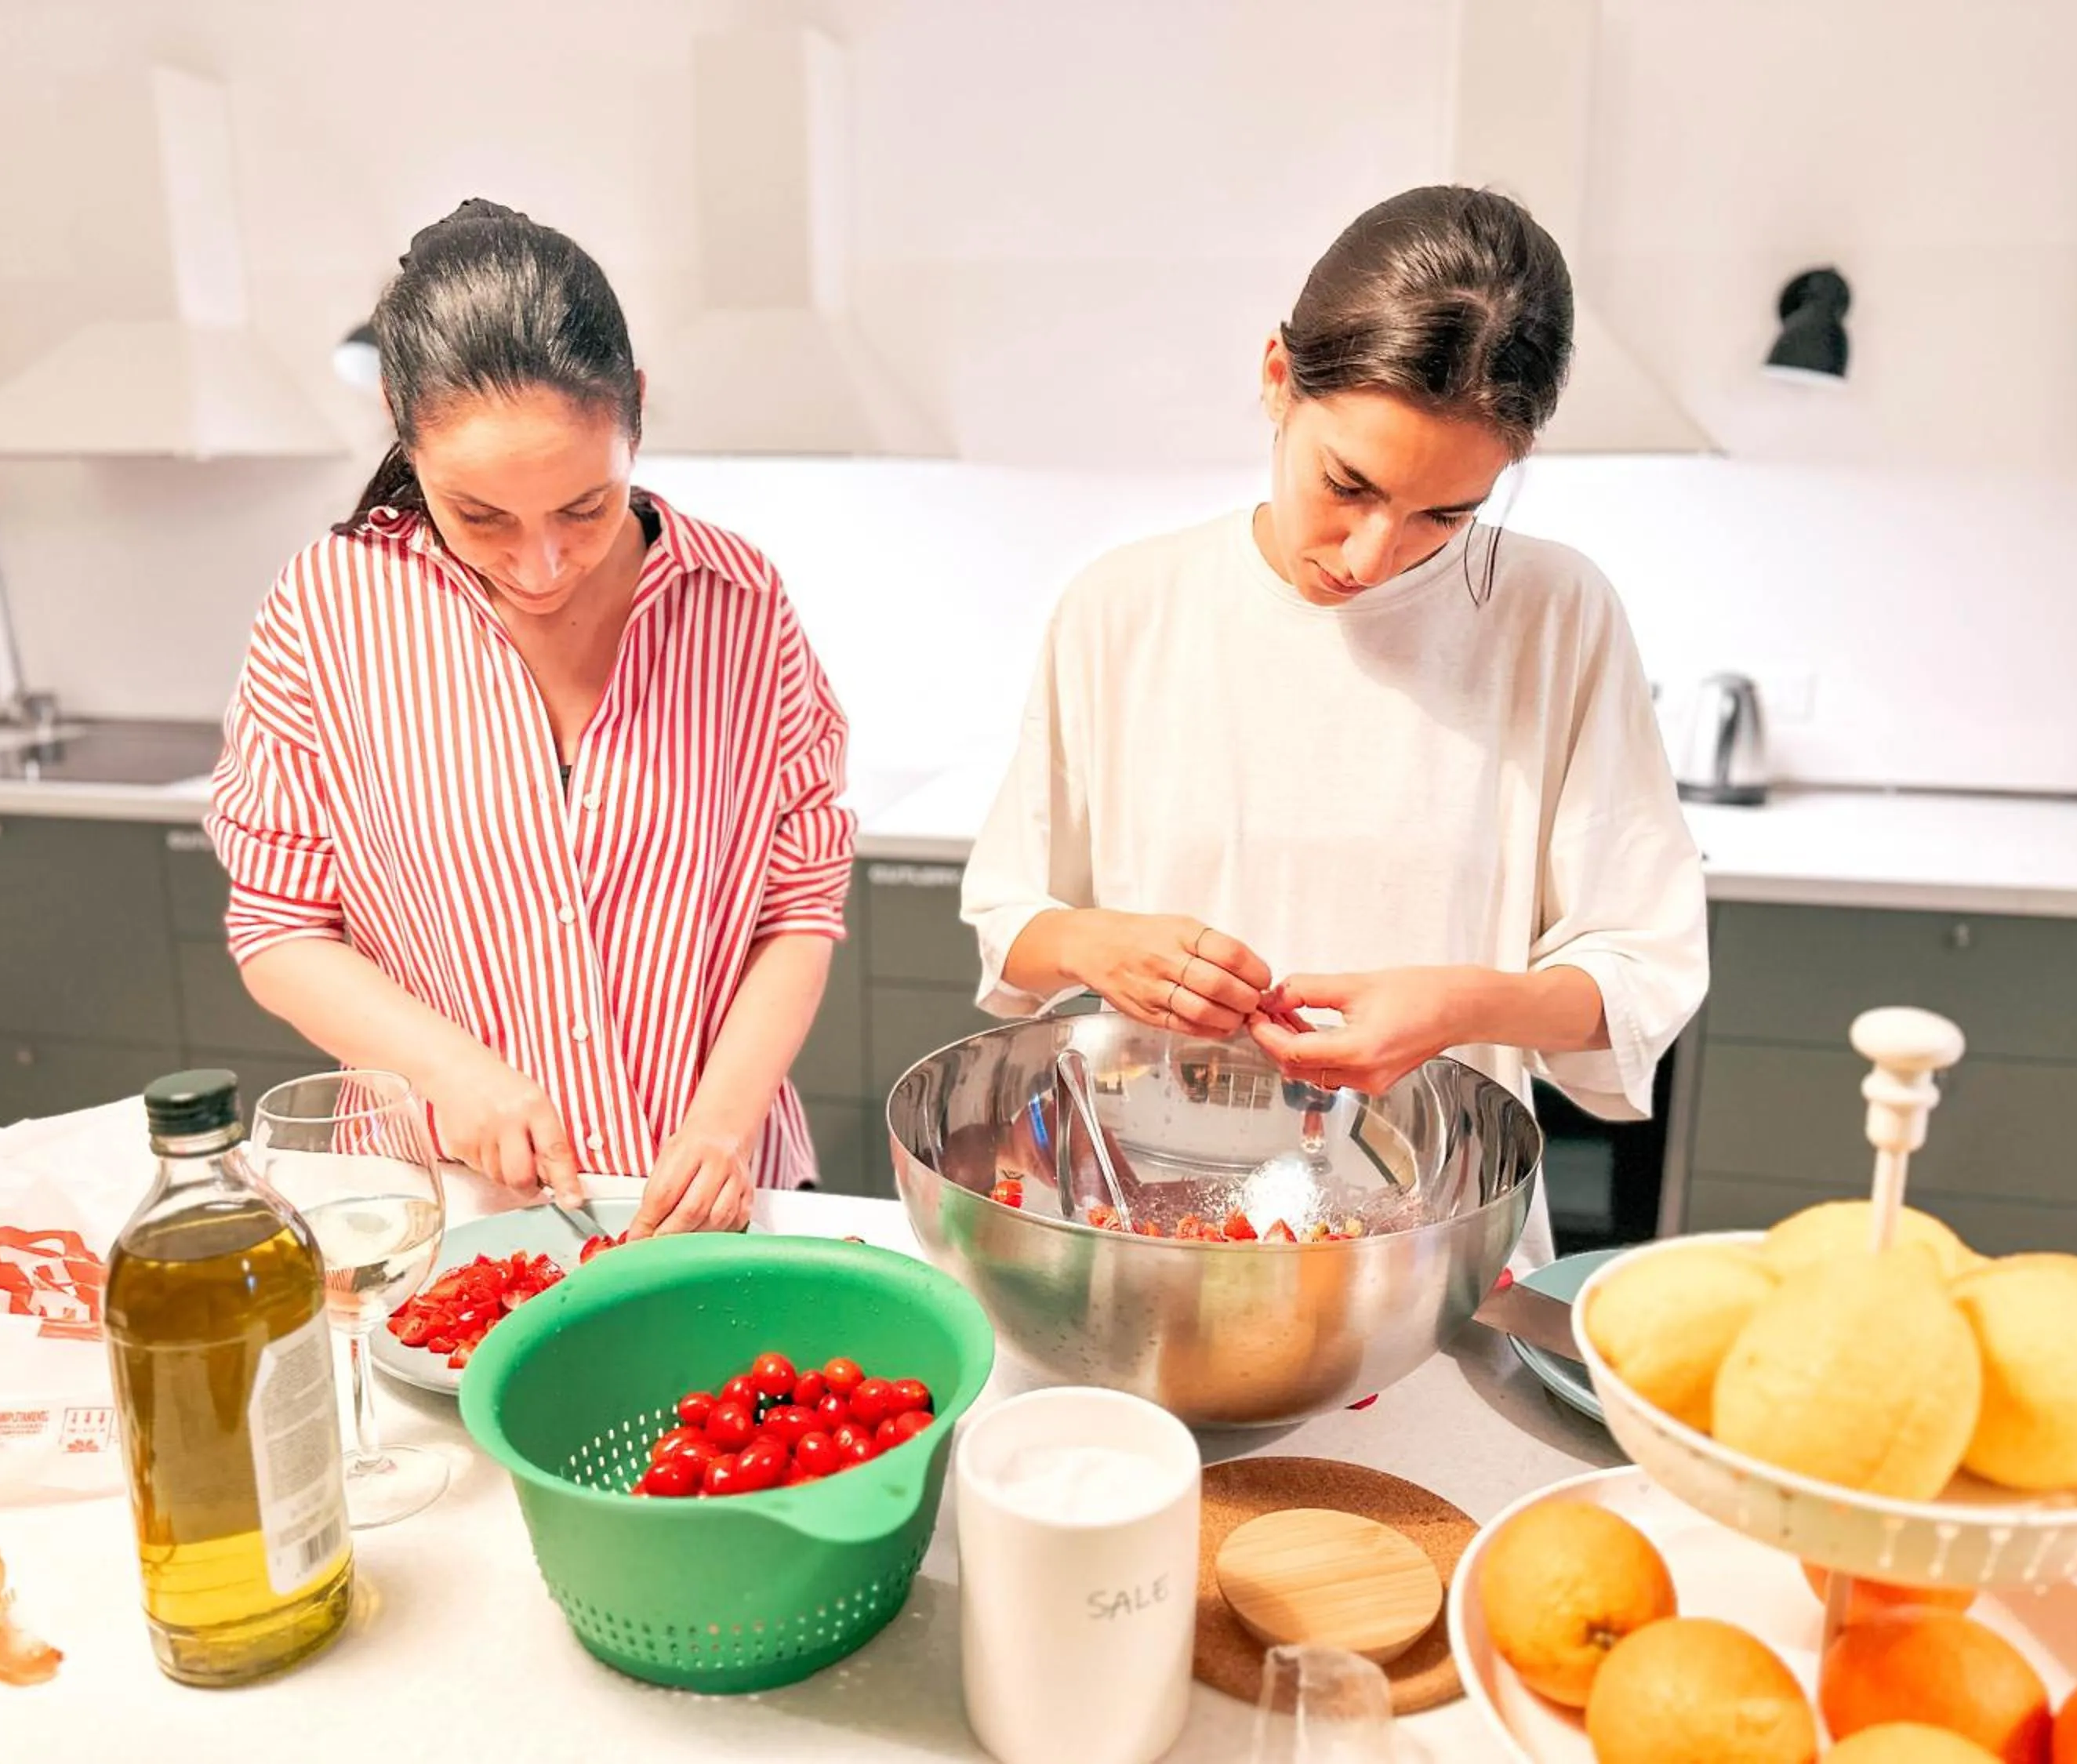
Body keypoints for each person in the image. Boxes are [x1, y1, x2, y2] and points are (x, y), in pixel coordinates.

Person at [960, 185, 1708, 1261]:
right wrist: (1099, 944)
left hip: (1434, 1244)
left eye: (1446, 516)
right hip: (1157, 1236)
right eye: (1347, 484)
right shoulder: (1122, 608)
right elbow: (1015, 923)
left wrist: (1464, 1004)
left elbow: (1642, 978)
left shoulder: (1554, 616)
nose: (1370, 556)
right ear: (1277, 380)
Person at [208, 200, 853, 1236]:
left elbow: (799, 912)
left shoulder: (740, 605)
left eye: (584, 508)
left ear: (635, 411)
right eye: (483, 517)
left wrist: (723, 1129)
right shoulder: (327, 612)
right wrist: (448, 1070)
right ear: (398, 422)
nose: (541, 564)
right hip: (450, 1209)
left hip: (710, 1205)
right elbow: (280, 926)